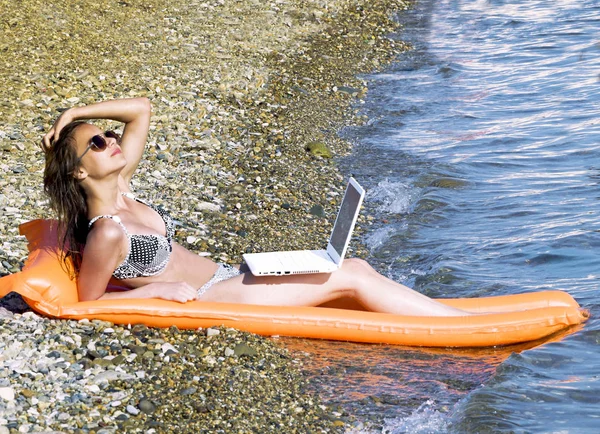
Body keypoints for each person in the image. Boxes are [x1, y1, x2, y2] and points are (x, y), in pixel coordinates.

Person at [42, 97, 471, 317]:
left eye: (110, 136)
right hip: (213, 297)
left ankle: (436, 312)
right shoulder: (108, 230)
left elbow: (140, 110)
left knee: (353, 263)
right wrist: (154, 291)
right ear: (79, 173)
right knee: (351, 274)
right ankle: (456, 325)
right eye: (98, 143)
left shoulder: (123, 190)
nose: (113, 141)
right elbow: (86, 304)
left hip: (231, 276)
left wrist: (77, 113)